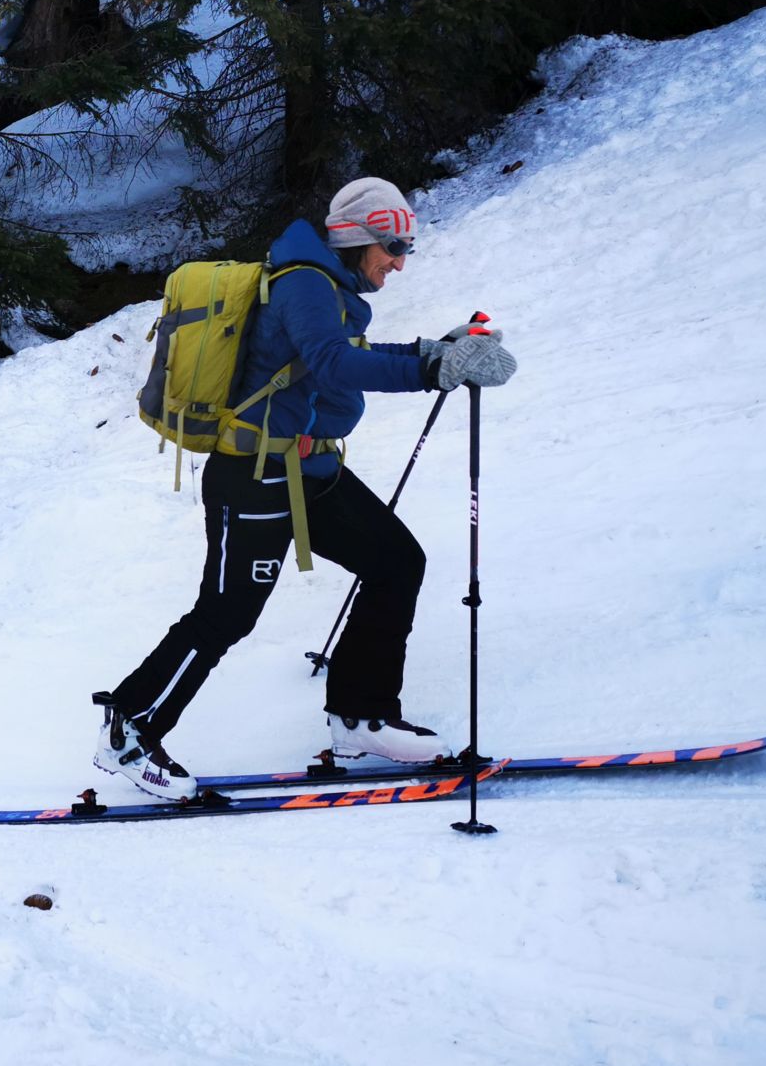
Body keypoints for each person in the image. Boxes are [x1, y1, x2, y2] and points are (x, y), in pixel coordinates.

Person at [96, 178, 518, 800]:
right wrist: (429, 370)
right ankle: (130, 730)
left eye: (406, 248)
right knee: (227, 614)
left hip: (309, 471)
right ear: (357, 238)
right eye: (392, 246)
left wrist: (436, 349)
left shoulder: (327, 285)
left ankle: (359, 717)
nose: (399, 261)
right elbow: (333, 363)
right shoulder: (303, 282)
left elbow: (344, 352)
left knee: (396, 563)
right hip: (254, 476)